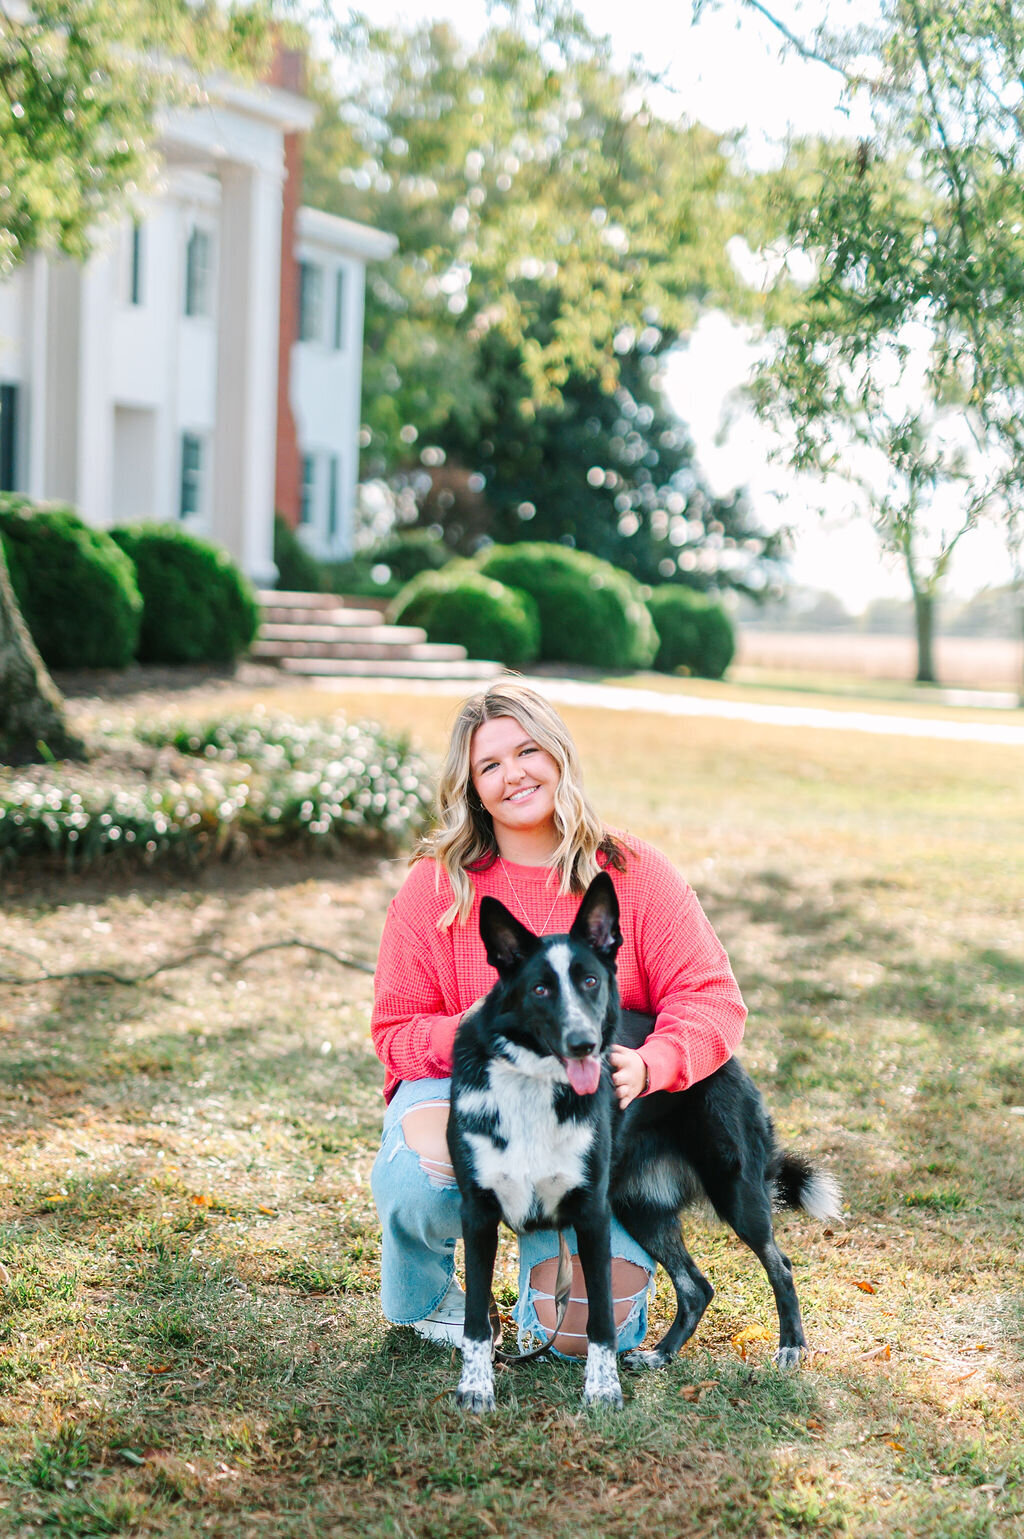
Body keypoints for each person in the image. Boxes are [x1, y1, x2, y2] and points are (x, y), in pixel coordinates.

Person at [370, 681, 747, 1355]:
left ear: (558, 753)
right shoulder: (435, 884)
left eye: (527, 750)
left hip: (581, 1112)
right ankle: (427, 1297)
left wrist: (652, 1061)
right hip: (474, 1092)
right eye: (489, 765)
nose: (513, 773)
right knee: (421, 1180)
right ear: (473, 788)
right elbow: (394, 1030)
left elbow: (713, 995)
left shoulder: (630, 872)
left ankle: (548, 1275)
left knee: (575, 1337)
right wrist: (478, 1034)